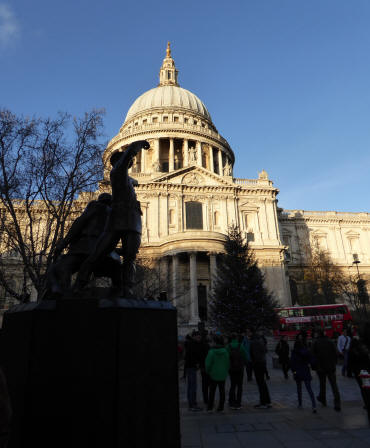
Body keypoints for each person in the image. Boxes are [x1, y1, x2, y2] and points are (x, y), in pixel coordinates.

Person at [75, 140, 150, 296]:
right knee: (99, 252)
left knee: (129, 257)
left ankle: (126, 288)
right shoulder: (116, 172)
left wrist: (133, 181)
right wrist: (136, 145)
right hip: (119, 220)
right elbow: (125, 160)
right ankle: (80, 283)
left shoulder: (126, 180)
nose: (130, 162)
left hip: (131, 222)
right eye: (128, 160)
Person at [43, 193, 122, 298]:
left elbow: (78, 225)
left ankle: (62, 292)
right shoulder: (114, 215)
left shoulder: (94, 207)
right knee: (118, 273)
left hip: (85, 247)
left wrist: (62, 244)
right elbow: (115, 236)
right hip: (104, 251)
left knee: (56, 269)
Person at [313, 330, 341, 411]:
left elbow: (312, 354)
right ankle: (337, 403)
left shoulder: (316, 342)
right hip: (331, 366)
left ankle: (323, 399)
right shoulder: (330, 341)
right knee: (334, 385)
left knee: (322, 384)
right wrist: (334, 363)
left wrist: (315, 365)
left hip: (320, 367)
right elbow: (336, 353)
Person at [290, 339, 317, 413]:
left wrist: (294, 372)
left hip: (298, 372)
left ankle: (300, 404)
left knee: (299, 389)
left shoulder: (294, 352)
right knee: (309, 389)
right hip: (305, 371)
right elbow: (312, 360)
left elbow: (292, 363)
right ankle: (314, 405)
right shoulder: (306, 351)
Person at [205, 335, 230, 413]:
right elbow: (228, 363)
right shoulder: (225, 351)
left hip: (213, 374)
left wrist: (208, 371)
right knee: (222, 391)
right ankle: (221, 408)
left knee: (212, 391)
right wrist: (225, 371)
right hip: (222, 374)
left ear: (214, 342)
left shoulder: (211, 352)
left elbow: (207, 364)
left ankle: (210, 408)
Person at [250, 328, 272, 409]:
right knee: (263, 383)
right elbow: (265, 350)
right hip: (262, 363)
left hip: (257, 364)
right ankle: (267, 401)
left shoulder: (254, 342)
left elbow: (253, 355)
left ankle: (263, 402)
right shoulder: (261, 341)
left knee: (260, 383)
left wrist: (253, 362)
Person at [348, 336, 370, 410]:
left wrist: (350, 371)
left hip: (358, 372)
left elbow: (350, 363)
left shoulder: (352, 351)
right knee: (367, 386)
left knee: (363, 388)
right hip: (366, 370)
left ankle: (367, 403)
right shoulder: (364, 349)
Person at [227, 334, 248, 409]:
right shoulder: (240, 346)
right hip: (240, 368)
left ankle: (231, 402)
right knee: (239, 386)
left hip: (231, 369)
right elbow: (245, 356)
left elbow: (226, 358)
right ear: (237, 338)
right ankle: (238, 403)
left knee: (232, 385)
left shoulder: (228, 346)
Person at [184, 331, 203, 411]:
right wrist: (196, 364)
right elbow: (192, 356)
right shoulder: (192, 345)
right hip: (192, 367)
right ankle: (192, 405)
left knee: (190, 386)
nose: (199, 339)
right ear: (194, 337)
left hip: (190, 367)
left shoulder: (190, 344)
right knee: (193, 386)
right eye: (198, 337)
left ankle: (191, 403)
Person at [199, 333, 211, 406]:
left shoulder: (201, 346)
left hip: (203, 367)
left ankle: (205, 399)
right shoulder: (208, 346)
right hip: (208, 367)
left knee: (204, 384)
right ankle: (208, 399)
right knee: (209, 383)